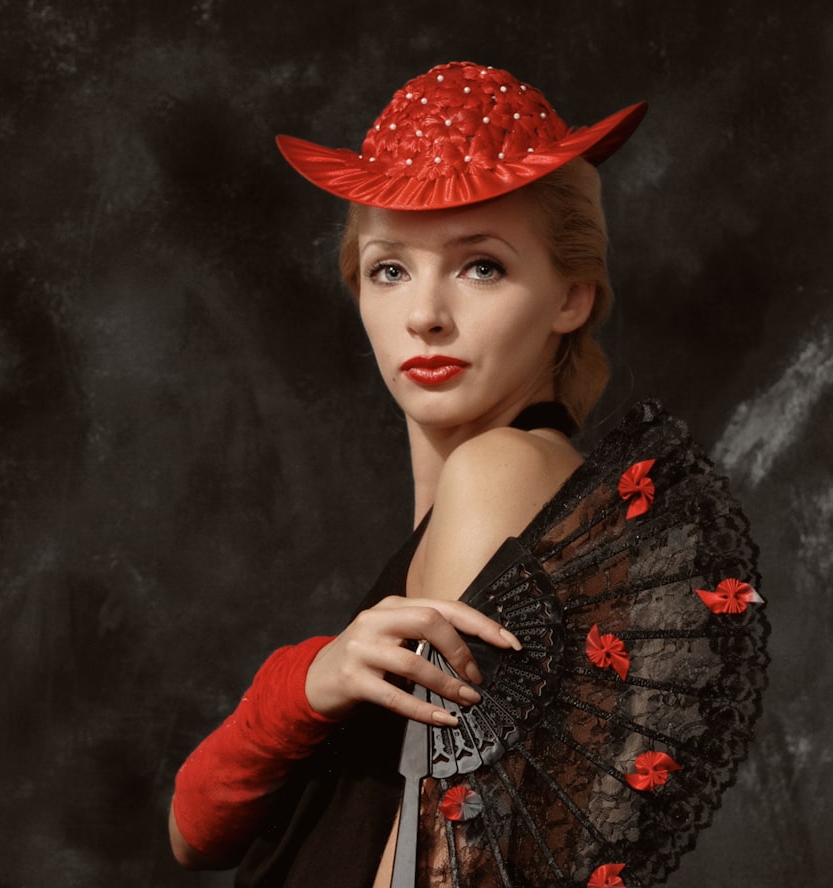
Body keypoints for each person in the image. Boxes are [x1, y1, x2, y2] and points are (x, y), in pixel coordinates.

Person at [168, 60, 648, 887]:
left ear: (571, 295)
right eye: (391, 268)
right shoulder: (480, 500)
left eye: (480, 266)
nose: (425, 314)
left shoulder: (500, 476)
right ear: (359, 288)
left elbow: (445, 866)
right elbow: (194, 833)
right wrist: (309, 682)